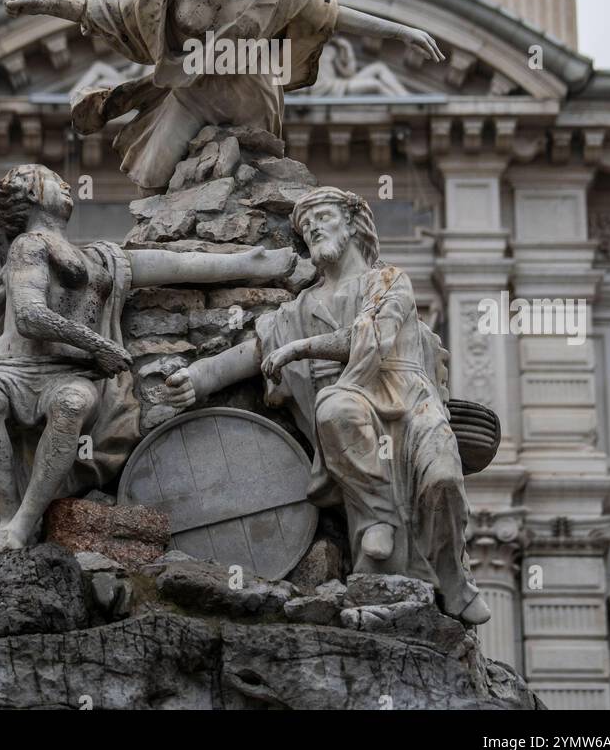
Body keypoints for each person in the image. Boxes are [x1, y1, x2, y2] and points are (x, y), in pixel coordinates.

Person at [164, 185, 490, 625]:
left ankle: (453, 579)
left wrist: (300, 349)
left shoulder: (389, 281)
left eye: (323, 215)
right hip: (351, 416)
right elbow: (256, 353)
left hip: (410, 403)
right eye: (305, 224)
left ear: (353, 223)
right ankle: (377, 521)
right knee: (334, 406)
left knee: (445, 480)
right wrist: (199, 378)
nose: (313, 226)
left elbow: (368, 337)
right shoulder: (298, 309)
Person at [0, 162, 295, 560]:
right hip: (12, 369)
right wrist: (98, 345)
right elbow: (31, 316)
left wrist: (249, 264)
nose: (66, 185)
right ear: (32, 197)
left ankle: (23, 521)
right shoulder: (28, 246)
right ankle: (7, 516)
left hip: (68, 373)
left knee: (73, 404)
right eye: (52, 181)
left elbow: (173, 266)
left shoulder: (102, 257)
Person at [4, 0, 443, 189]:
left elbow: (331, 14)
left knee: (250, 182)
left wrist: (404, 31)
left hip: (250, 92)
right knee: (153, 177)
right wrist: (37, 3)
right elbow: (98, 8)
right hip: (193, 90)